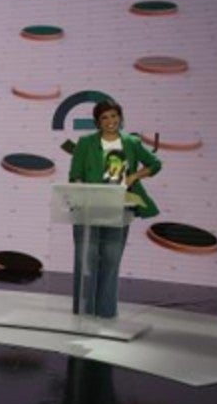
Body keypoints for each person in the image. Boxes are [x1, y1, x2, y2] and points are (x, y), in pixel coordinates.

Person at [67, 100, 161, 317]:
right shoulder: (85, 142)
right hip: (89, 207)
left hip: (120, 206)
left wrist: (135, 176)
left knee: (111, 258)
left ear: (120, 117)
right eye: (104, 118)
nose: (110, 121)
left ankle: (106, 311)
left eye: (113, 116)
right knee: (86, 259)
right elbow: (75, 174)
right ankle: (84, 309)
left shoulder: (132, 142)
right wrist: (81, 190)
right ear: (97, 122)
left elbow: (155, 164)